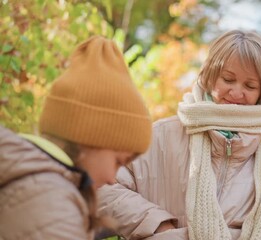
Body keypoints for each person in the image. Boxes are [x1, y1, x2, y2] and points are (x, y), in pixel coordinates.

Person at [97, 30, 261, 240]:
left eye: (250, 86)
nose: (236, 92)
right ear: (211, 76)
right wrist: (157, 224)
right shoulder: (157, 137)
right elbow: (100, 187)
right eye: (228, 79)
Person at [0, 36, 152, 239]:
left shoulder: (32, 181)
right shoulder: (50, 204)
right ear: (90, 138)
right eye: (117, 162)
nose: (111, 178)